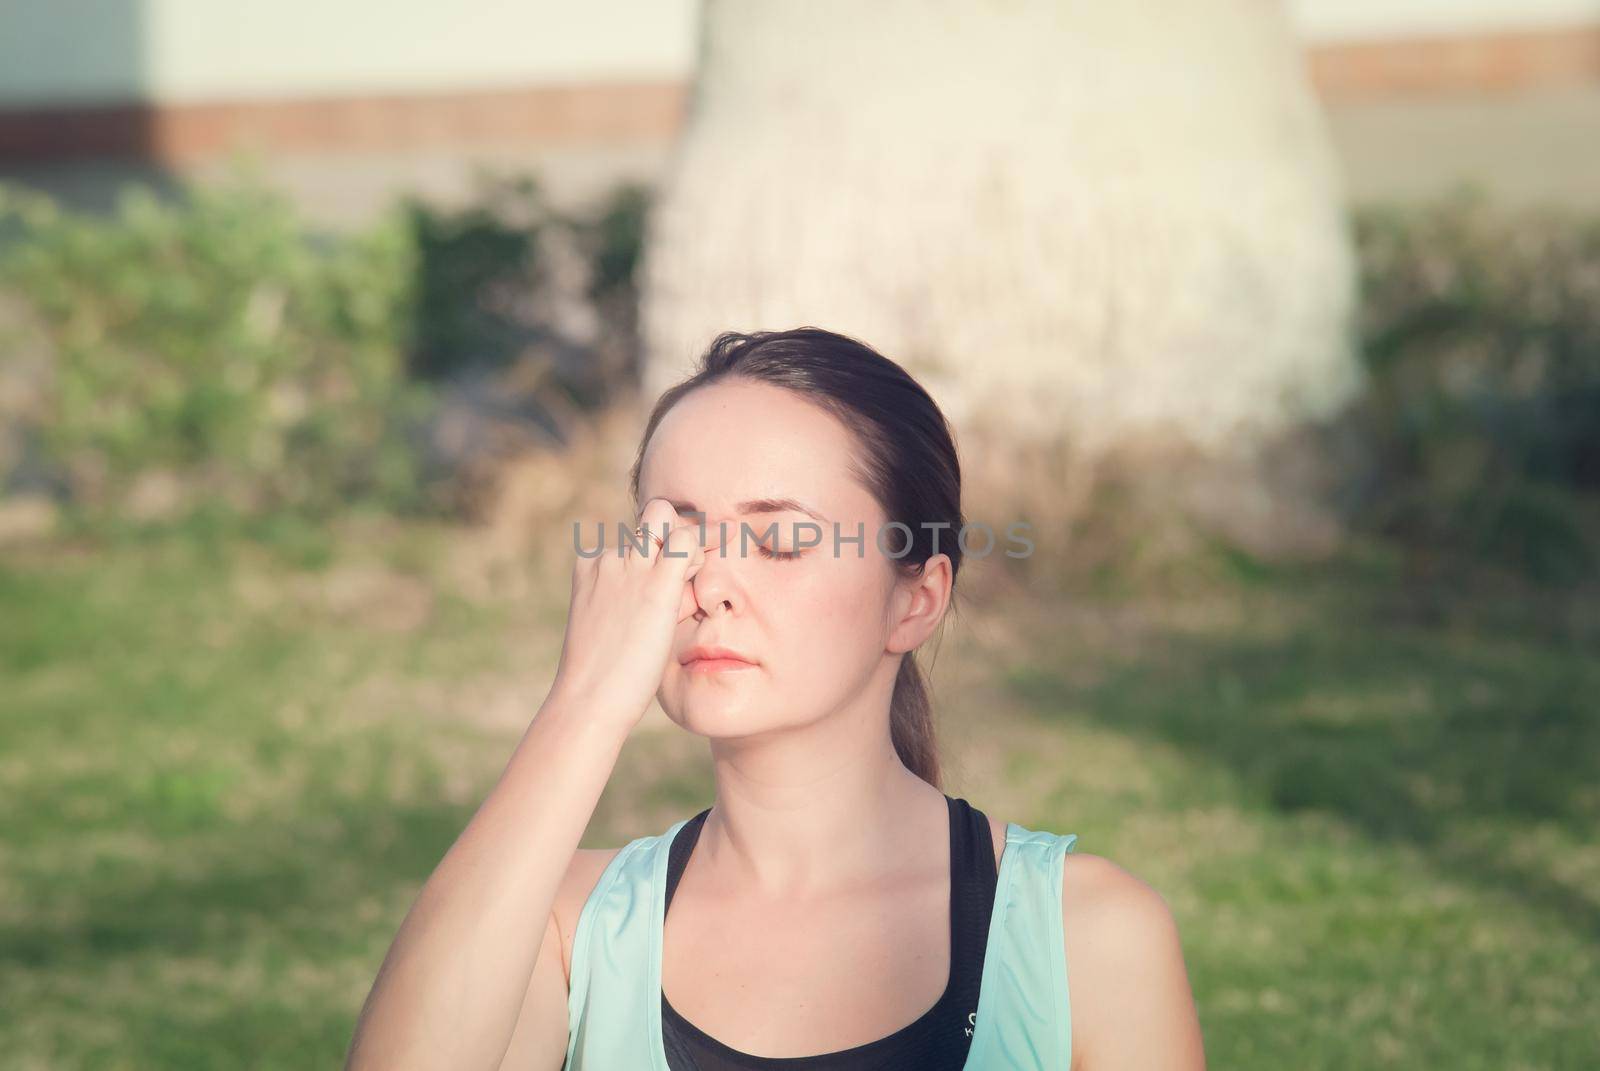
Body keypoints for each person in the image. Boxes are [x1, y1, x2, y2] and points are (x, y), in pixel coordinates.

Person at [344, 327, 1206, 1070]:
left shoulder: (1085, 936)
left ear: (917, 597)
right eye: (672, 534)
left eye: (781, 538)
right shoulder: (569, 926)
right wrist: (586, 700)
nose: (709, 582)